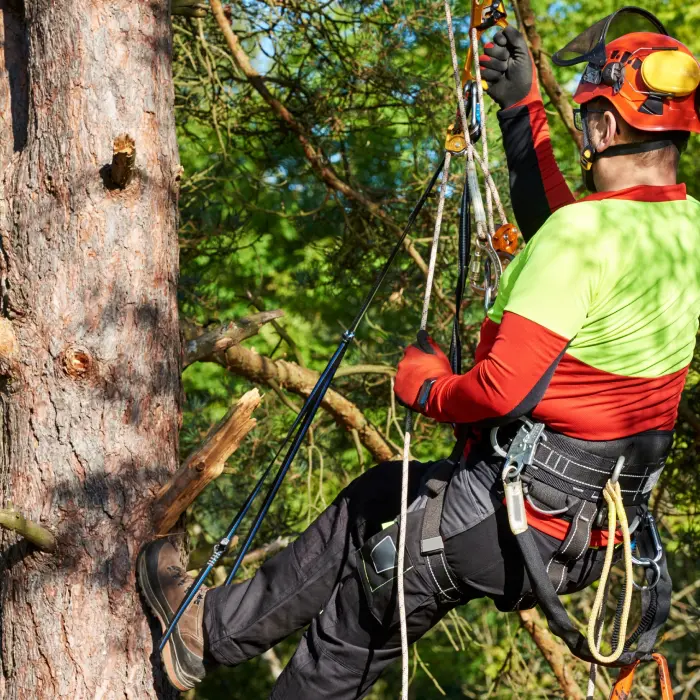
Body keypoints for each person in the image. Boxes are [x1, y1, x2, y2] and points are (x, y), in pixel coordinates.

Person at [138, 8, 700, 697]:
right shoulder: (683, 228)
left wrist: (426, 387)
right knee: (376, 496)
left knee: (346, 637)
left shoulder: (582, 237)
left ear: (606, 129)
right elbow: (573, 232)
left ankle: (211, 638)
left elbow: (500, 391)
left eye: (589, 121)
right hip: (584, 536)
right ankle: (206, 633)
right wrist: (524, 110)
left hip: (511, 518)